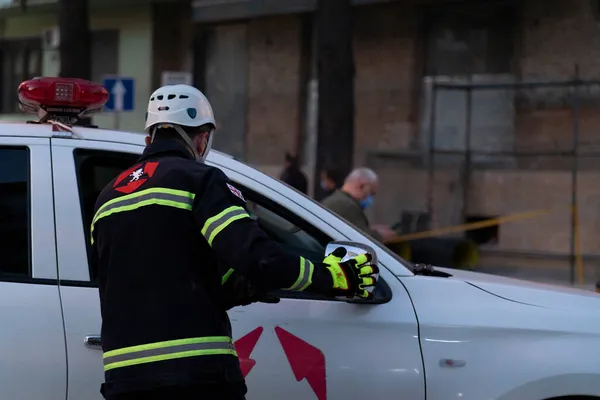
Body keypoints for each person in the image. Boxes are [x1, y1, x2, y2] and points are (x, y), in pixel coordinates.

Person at [91, 84, 378, 400]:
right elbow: (257, 258)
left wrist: (244, 286)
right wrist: (331, 277)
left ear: (149, 139)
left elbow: (152, 275)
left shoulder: (107, 198)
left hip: (125, 379)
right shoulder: (199, 180)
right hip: (195, 374)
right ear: (201, 139)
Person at [321, 167, 396, 242]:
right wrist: (380, 235)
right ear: (361, 186)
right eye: (371, 193)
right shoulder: (346, 206)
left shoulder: (338, 200)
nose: (371, 198)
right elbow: (361, 240)